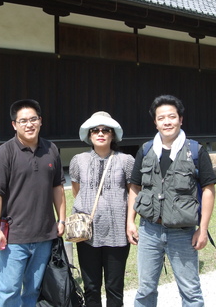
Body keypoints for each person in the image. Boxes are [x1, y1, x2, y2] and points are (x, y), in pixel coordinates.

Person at [127, 95, 216, 307]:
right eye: (161, 118)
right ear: (155, 122)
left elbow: (208, 190)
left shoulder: (196, 151)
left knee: (190, 291)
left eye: (172, 117)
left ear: (180, 119)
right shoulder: (146, 150)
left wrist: (203, 229)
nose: (167, 122)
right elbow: (135, 186)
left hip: (183, 232)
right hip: (149, 230)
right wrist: (130, 221)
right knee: (145, 289)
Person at [0, 99, 66, 307]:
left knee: (33, 291)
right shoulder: (5, 152)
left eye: (33, 119)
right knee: (8, 290)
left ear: (40, 121)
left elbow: (57, 187)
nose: (29, 124)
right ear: (14, 125)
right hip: (14, 237)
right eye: (23, 121)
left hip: (44, 235)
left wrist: (61, 220)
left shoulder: (51, 149)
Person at [69, 111, 135, 307]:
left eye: (105, 130)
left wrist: (130, 222)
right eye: (95, 130)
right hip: (87, 233)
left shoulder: (126, 160)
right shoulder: (78, 160)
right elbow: (77, 191)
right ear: (89, 135)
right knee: (91, 286)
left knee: (115, 287)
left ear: (112, 134)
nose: (100, 133)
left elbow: (133, 192)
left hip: (117, 232)